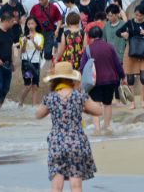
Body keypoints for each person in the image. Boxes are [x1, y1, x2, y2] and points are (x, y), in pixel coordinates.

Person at [37, 61, 101, 192]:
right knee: (76, 185)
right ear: (72, 79)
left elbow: (39, 114)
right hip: (76, 142)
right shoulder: (80, 96)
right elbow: (98, 111)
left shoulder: (50, 98)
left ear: (55, 80)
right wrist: (84, 109)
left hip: (57, 143)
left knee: (56, 186)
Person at [84, 25, 125, 135]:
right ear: (101, 36)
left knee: (96, 104)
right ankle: (107, 126)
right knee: (107, 103)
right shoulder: (110, 47)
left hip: (94, 81)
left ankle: (97, 129)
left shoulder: (88, 49)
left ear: (90, 37)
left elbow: (83, 67)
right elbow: (117, 63)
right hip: (110, 80)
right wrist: (122, 75)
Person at [19, 16, 45, 107]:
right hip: (26, 63)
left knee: (35, 85)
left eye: (32, 23)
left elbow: (40, 49)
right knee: (28, 85)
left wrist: (33, 41)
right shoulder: (23, 36)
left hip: (36, 62)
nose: (30, 25)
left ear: (36, 24)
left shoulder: (40, 36)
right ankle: (21, 102)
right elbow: (22, 51)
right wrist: (25, 42)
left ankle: (34, 106)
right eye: (29, 24)